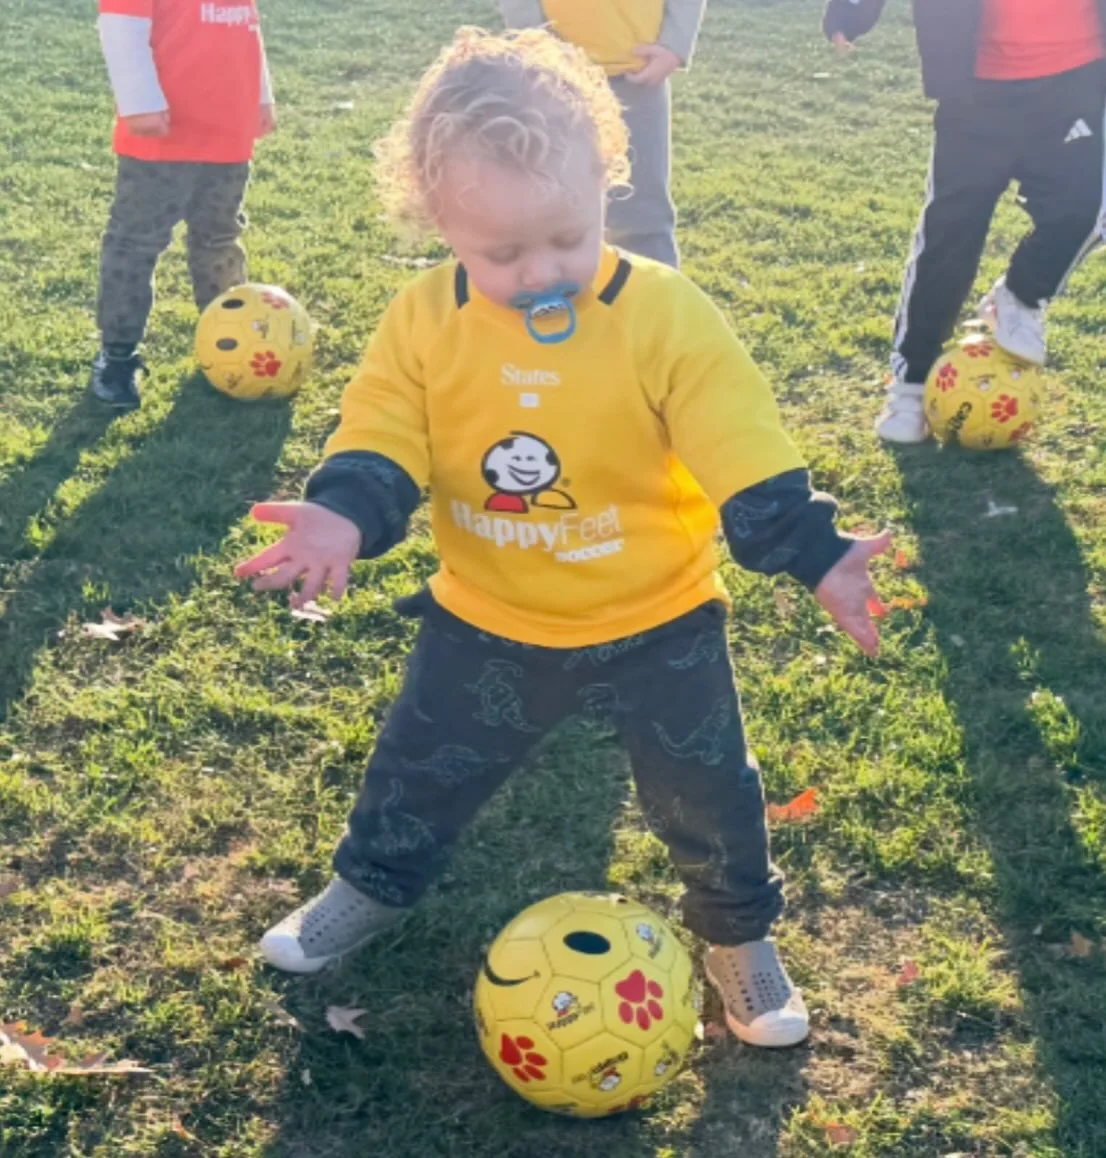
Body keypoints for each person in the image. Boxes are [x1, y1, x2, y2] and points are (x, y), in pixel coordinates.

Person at [236, 28, 892, 1049]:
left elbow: (737, 440)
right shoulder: (422, 321)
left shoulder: (663, 314)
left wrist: (811, 551)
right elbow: (380, 430)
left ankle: (736, 940)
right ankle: (368, 889)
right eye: (501, 253)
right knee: (418, 768)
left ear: (604, 187)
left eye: (567, 237)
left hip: (659, 618)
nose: (541, 270)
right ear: (438, 219)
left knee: (709, 794)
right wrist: (344, 509)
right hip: (488, 617)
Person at [824, 0, 1106, 443]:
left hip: (1077, 75)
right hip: (975, 84)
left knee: (1083, 210)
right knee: (951, 235)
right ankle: (912, 385)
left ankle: (1019, 296)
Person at [92, 0, 276, 410]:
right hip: (162, 138)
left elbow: (246, 29)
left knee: (219, 238)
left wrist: (261, 96)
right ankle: (117, 355)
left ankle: (228, 341)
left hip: (228, 133)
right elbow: (121, 29)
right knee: (136, 242)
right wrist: (139, 103)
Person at [499, 0, 706, 267]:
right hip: (553, 78)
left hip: (636, 74)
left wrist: (675, 43)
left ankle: (654, 304)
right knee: (550, 206)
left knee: (640, 214)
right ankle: (559, 296)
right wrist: (534, 40)